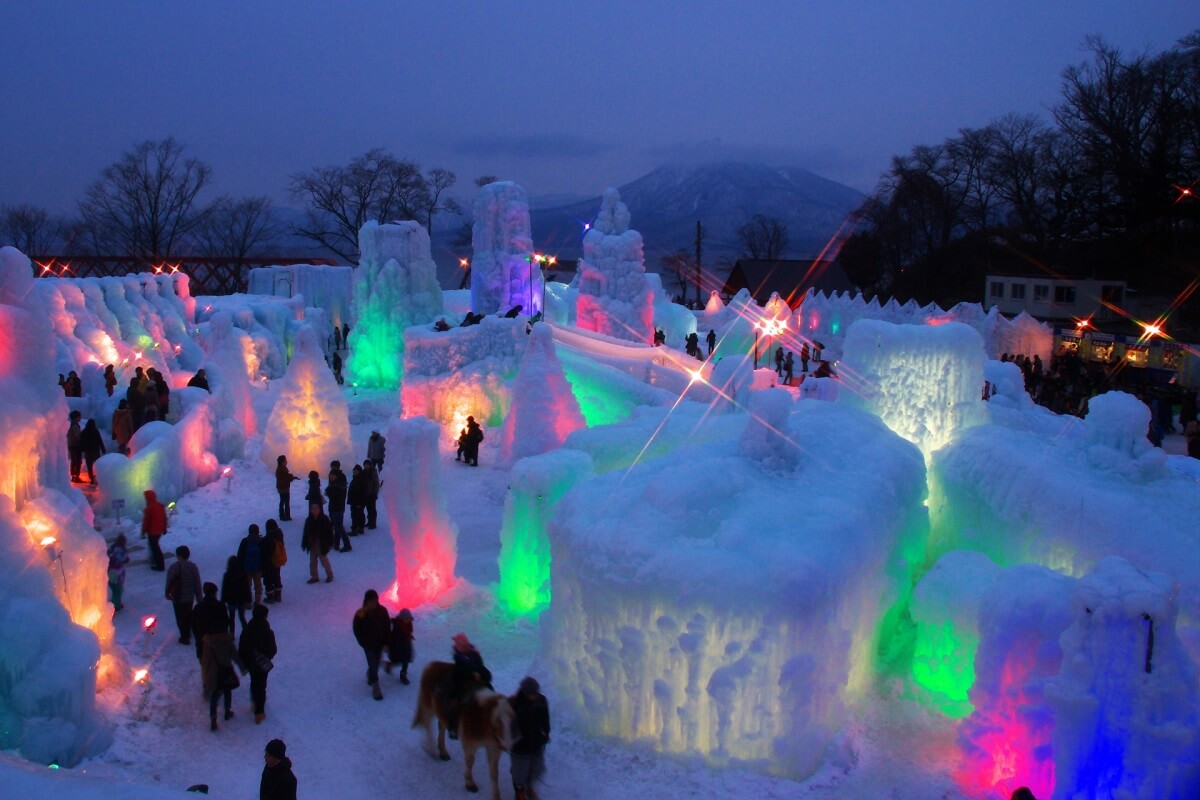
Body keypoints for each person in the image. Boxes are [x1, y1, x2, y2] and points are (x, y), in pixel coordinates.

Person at [509, 676, 551, 800]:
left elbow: (545, 717)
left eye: (537, 692)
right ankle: (520, 792)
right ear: (526, 693)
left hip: (537, 741)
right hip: (521, 745)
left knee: (536, 768)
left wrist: (546, 731)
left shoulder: (541, 700)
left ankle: (529, 786)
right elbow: (511, 725)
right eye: (533, 693)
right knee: (519, 771)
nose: (536, 695)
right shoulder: (516, 705)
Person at [445, 632, 492, 738]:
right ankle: (453, 727)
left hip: (478, 680)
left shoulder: (474, 654)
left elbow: (480, 666)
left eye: (467, 645)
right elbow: (460, 672)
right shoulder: (458, 658)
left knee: (490, 692)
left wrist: (485, 676)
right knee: (457, 704)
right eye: (463, 646)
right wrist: (472, 674)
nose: (466, 648)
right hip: (462, 682)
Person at [239, 604, 277, 725]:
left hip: (250, 662)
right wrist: (267, 657)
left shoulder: (247, 629)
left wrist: (244, 661)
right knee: (261, 685)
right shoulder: (267, 631)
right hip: (262, 663)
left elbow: (241, 648)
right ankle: (259, 712)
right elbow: (273, 649)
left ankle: (255, 702)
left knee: (254, 682)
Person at [353, 589, 391, 701]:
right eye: (371, 601)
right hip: (368, 646)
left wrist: (386, 642)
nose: (374, 603)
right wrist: (363, 642)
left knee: (376, 662)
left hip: (379, 644)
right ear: (367, 601)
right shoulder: (361, 613)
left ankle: (370, 674)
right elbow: (357, 630)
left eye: (375, 600)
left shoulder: (382, 611)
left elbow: (387, 628)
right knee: (373, 665)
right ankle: (376, 686)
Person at [201, 624, 240, 731]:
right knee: (227, 690)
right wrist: (243, 667)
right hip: (225, 671)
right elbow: (235, 656)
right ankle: (227, 711)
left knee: (214, 694)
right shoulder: (227, 641)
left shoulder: (207, 643)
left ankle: (213, 719)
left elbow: (205, 661)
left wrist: (205, 676)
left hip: (213, 673)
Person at [166, 545, 202, 645]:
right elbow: (197, 584)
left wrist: (167, 594)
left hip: (177, 597)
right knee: (188, 614)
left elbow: (169, 582)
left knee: (179, 617)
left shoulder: (174, 567)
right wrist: (199, 597)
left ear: (179, 556)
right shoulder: (193, 567)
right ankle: (188, 630)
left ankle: (184, 636)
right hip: (189, 597)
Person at [192, 581, 230, 662]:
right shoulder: (220, 606)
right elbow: (226, 623)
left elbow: (194, 626)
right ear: (215, 592)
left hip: (203, 644)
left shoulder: (198, 607)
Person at [301, 503, 334, 584]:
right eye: (313, 508)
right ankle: (314, 576)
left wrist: (331, 542)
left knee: (323, 560)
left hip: (321, 543)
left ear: (319, 509)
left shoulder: (324, 519)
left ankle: (330, 575)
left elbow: (329, 531)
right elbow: (306, 532)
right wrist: (304, 543)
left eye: (316, 508)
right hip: (312, 543)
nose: (314, 510)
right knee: (312, 561)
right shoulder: (309, 520)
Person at [221, 555, 251, 633]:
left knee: (231, 618)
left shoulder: (227, 575)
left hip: (231, 600)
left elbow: (224, 588)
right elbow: (246, 588)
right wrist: (249, 599)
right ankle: (246, 632)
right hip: (242, 600)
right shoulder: (243, 574)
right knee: (242, 617)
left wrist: (222, 600)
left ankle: (231, 634)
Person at [238, 523, 266, 605]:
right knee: (258, 585)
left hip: (246, 568)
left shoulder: (245, 541)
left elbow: (240, 555)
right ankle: (257, 602)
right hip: (258, 568)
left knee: (247, 586)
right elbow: (264, 555)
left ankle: (248, 602)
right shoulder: (261, 542)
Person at [385, 607, 414, 684]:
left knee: (406, 661)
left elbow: (408, 632)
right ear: (402, 618)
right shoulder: (397, 626)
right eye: (406, 618)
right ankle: (389, 665)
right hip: (398, 647)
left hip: (406, 646)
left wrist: (409, 636)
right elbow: (393, 638)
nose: (408, 620)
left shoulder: (409, 623)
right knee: (397, 660)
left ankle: (403, 676)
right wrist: (389, 646)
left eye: (409, 618)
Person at [326, 461, 350, 552]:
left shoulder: (338, 486)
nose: (330, 477)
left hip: (337, 507)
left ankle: (347, 544)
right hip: (335, 507)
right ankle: (336, 543)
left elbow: (333, 495)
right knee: (337, 526)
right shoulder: (337, 483)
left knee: (339, 527)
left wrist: (329, 490)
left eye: (332, 476)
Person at [142, 489, 168, 571]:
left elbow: (146, 521)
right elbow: (164, 518)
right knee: (155, 546)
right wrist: (164, 528)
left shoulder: (149, 508)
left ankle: (160, 565)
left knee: (155, 548)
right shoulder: (160, 506)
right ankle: (155, 560)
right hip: (159, 531)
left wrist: (143, 532)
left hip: (152, 532)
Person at [262, 519, 285, 604]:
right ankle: (278, 595)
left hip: (269, 563)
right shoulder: (279, 535)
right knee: (277, 577)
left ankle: (270, 596)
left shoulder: (268, 538)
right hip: (277, 561)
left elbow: (266, 552)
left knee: (268, 580)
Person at [106, 533, 130, 613]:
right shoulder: (121, 551)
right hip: (117, 574)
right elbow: (124, 559)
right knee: (118, 591)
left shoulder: (112, 548)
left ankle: (115, 603)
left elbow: (107, 555)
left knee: (114, 589)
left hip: (109, 572)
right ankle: (116, 606)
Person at [79, 418, 106, 484]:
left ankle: (91, 479)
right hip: (95, 451)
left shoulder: (84, 432)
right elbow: (100, 440)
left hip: (87, 451)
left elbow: (81, 442)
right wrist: (103, 449)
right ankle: (99, 478)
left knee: (89, 466)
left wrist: (81, 449)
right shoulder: (95, 431)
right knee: (97, 464)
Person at [275, 456, 298, 521]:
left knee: (283, 501)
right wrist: (291, 477)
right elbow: (284, 479)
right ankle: (285, 516)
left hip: (282, 488)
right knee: (285, 502)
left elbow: (285, 477)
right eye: (285, 460)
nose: (286, 461)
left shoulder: (281, 468)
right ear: (282, 462)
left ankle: (283, 515)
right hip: (283, 488)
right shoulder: (281, 469)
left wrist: (291, 477)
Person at [347, 464, 367, 536]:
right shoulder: (356, 478)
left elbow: (362, 492)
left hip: (357, 502)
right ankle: (360, 528)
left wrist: (360, 503)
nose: (354, 472)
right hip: (355, 501)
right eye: (354, 470)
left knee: (355, 515)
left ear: (359, 471)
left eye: (356, 470)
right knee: (359, 515)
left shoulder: (360, 480)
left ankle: (354, 530)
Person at [363, 459, 380, 530]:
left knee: (372, 509)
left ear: (370, 465)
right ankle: (369, 521)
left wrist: (375, 493)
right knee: (368, 508)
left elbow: (376, 483)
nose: (366, 466)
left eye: (367, 465)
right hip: (366, 493)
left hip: (372, 494)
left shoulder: (373, 472)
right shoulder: (363, 472)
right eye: (365, 465)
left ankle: (373, 523)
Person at [66, 410, 83, 482]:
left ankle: (73, 476)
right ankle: (76, 476)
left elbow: (68, 435)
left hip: (71, 445)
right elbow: (78, 436)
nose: (80, 418)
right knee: (78, 461)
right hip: (75, 446)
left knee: (73, 461)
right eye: (79, 416)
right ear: (76, 417)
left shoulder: (71, 425)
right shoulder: (75, 425)